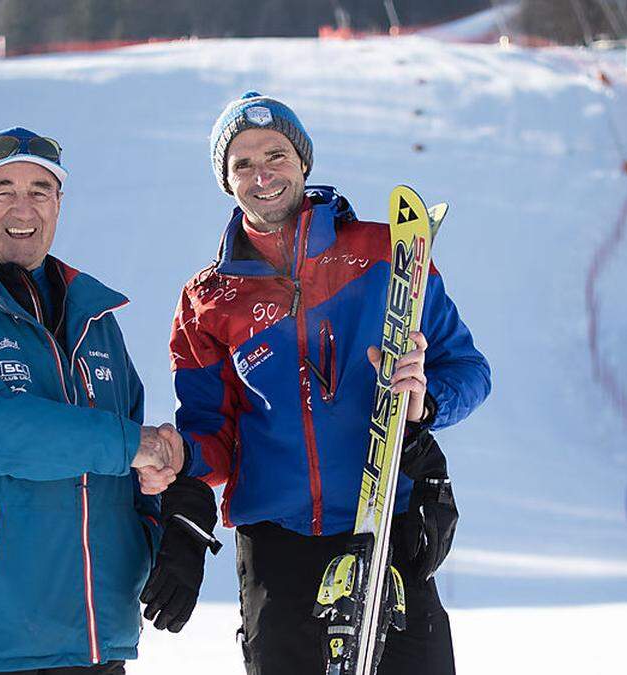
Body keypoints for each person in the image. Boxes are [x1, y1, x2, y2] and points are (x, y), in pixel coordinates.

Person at [164, 93, 492, 674]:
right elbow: (209, 434)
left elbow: (469, 370)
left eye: (277, 154)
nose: (262, 175)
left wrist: (426, 402)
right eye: (241, 163)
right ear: (225, 180)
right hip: (277, 544)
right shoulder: (207, 300)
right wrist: (180, 468)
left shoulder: (385, 253)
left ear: (303, 162)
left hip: (388, 524)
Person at [0, 126, 212, 674]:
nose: (24, 206)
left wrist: (173, 521)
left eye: (40, 190)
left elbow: (130, 471)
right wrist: (135, 445)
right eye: (2, 189)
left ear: (59, 204)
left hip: (94, 641)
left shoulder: (94, 317)